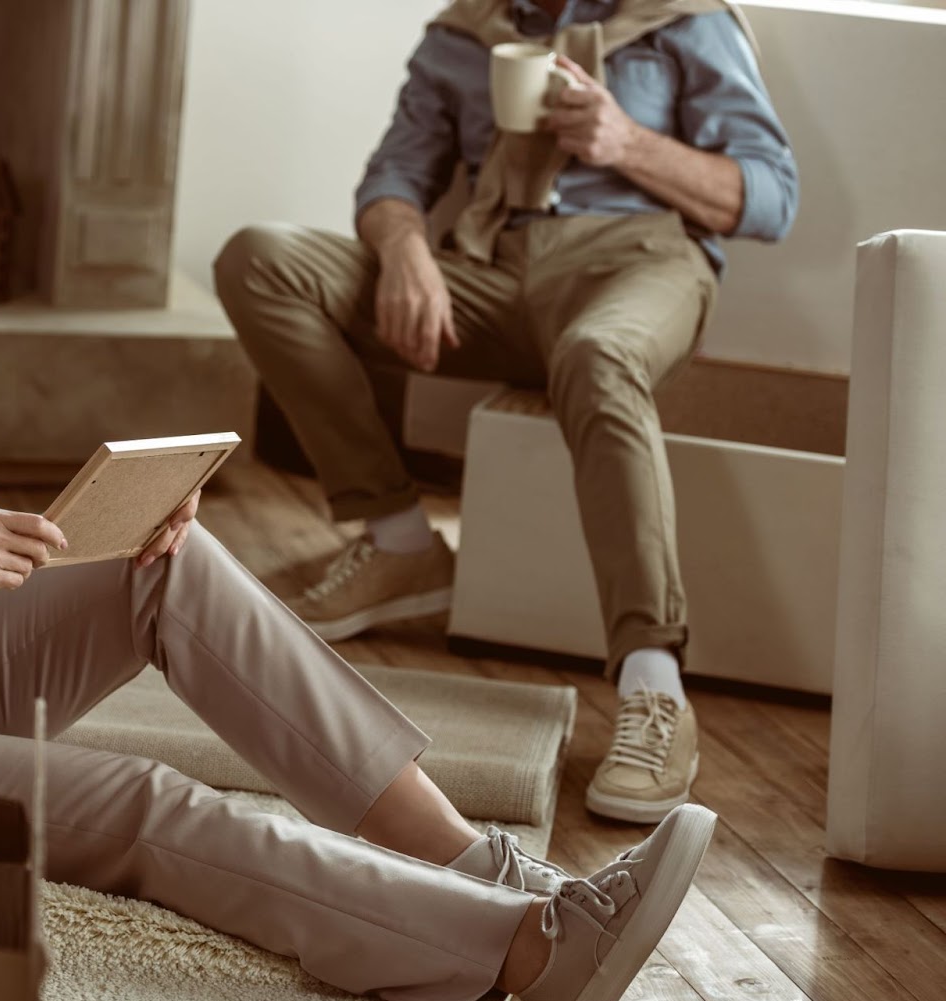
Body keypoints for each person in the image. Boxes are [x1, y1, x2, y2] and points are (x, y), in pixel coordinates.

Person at [0, 75, 717, 1001]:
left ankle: (479, 865)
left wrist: (116, 534)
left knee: (169, 569)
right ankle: (528, 948)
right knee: (151, 798)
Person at [213, 0, 798, 824]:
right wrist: (406, 248)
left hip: (637, 261)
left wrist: (624, 140)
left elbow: (771, 195)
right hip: (488, 269)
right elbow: (393, 176)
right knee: (259, 259)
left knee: (599, 354)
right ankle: (401, 540)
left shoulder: (683, 20)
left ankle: (653, 683)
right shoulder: (462, 33)